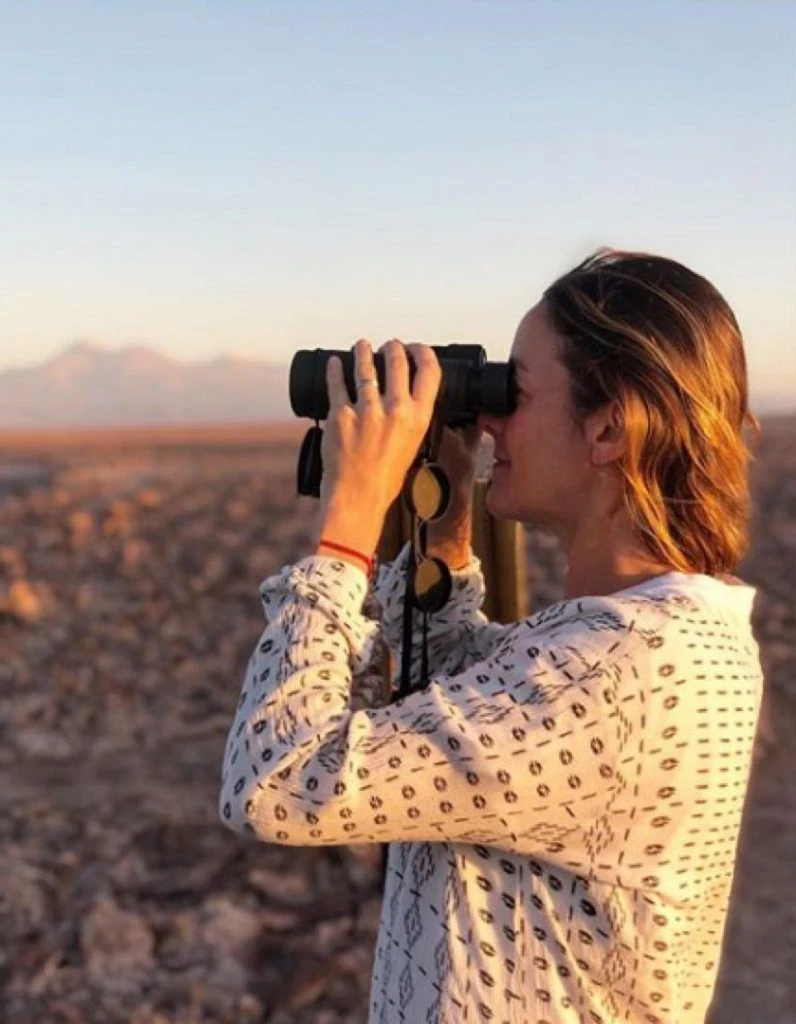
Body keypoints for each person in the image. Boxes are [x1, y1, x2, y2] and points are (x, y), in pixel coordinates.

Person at [219, 249, 764, 1024]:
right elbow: (456, 702)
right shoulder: (655, 636)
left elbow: (276, 782)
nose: (490, 419)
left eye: (517, 391)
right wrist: (446, 519)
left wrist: (349, 520)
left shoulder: (620, 670)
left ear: (610, 426)